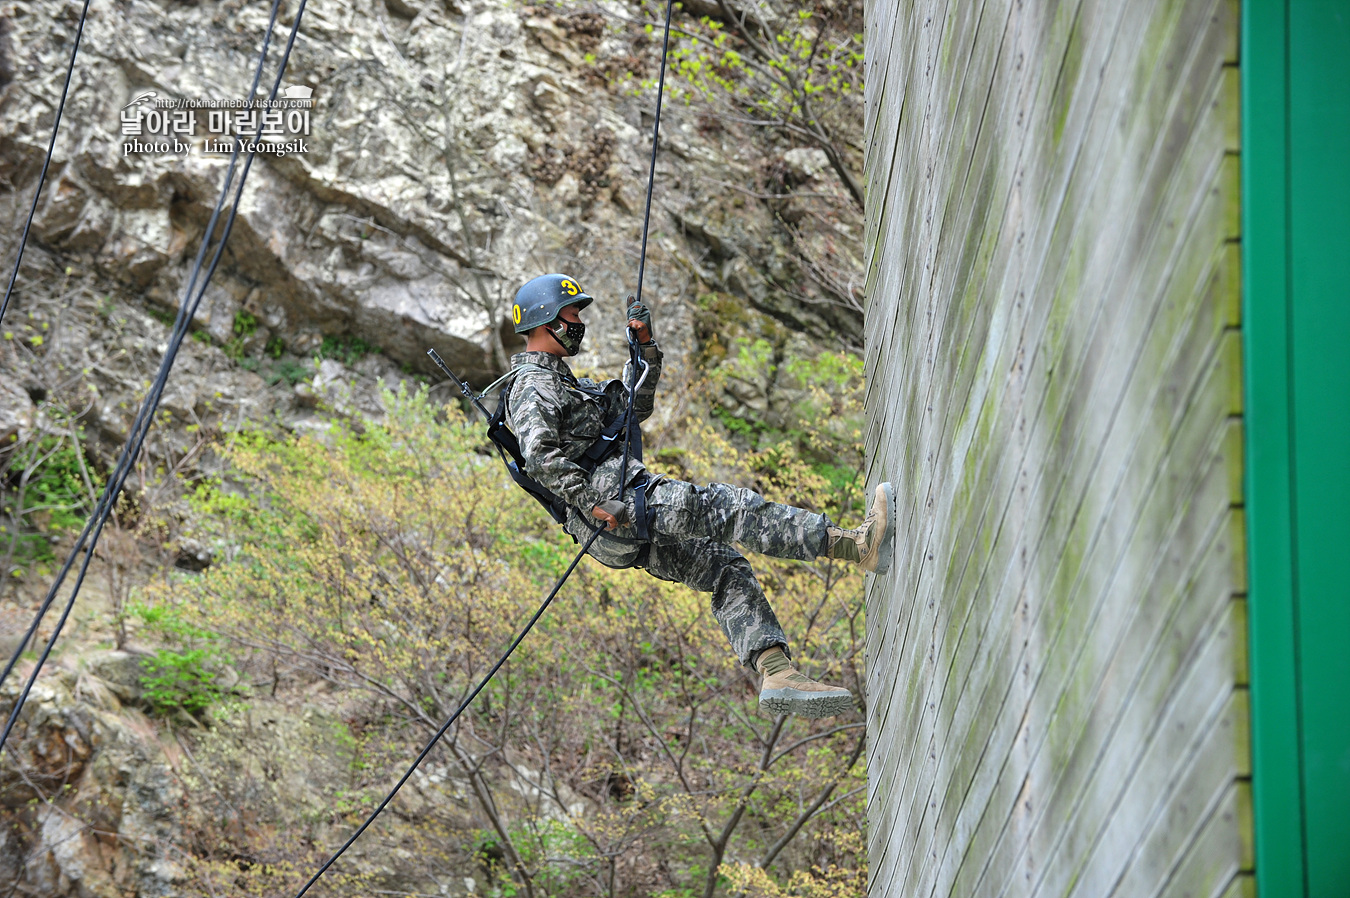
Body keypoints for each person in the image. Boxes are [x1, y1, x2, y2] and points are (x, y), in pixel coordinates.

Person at [503, 274, 895, 718]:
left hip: (613, 524)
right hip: (618, 506)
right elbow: (538, 457)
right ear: (547, 320)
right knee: (727, 509)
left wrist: (645, 348)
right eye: (573, 314)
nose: (579, 323)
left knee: (721, 565)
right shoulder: (533, 385)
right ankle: (857, 546)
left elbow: (635, 408)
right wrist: (591, 501)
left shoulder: (563, 382)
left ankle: (775, 671)